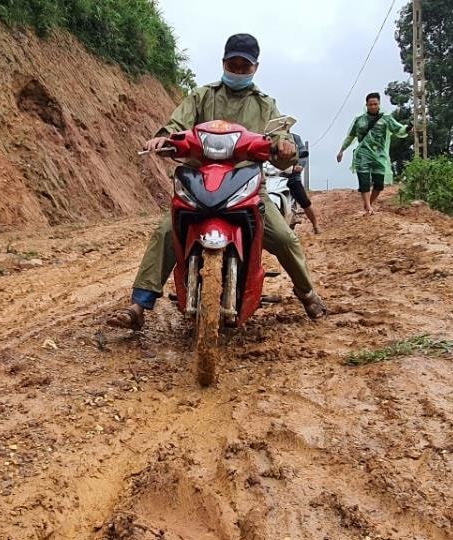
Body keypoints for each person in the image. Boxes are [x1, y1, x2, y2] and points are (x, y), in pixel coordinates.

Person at [107, 33, 328, 331]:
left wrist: (284, 146)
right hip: (200, 180)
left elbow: (280, 137)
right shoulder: (202, 96)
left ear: (255, 68)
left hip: (248, 186)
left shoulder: (265, 105)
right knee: (165, 232)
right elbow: (175, 126)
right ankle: (139, 303)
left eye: (244, 66)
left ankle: (307, 293)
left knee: (285, 238)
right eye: (232, 64)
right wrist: (165, 137)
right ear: (223, 63)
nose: (238, 70)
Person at [335, 92, 410, 215]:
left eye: (375, 104)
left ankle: (368, 203)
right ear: (366, 105)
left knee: (379, 184)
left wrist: (407, 128)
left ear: (379, 104)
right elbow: (351, 137)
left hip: (379, 155)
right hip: (363, 153)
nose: (373, 106)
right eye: (370, 104)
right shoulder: (360, 120)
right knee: (364, 182)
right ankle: (369, 207)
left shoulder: (386, 118)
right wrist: (341, 150)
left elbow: (398, 129)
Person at [285, 132, 320, 233]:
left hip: (292, 174)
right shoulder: (269, 138)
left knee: (304, 201)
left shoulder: (294, 138)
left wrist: (300, 165)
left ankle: (315, 225)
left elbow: (303, 152)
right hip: (274, 175)